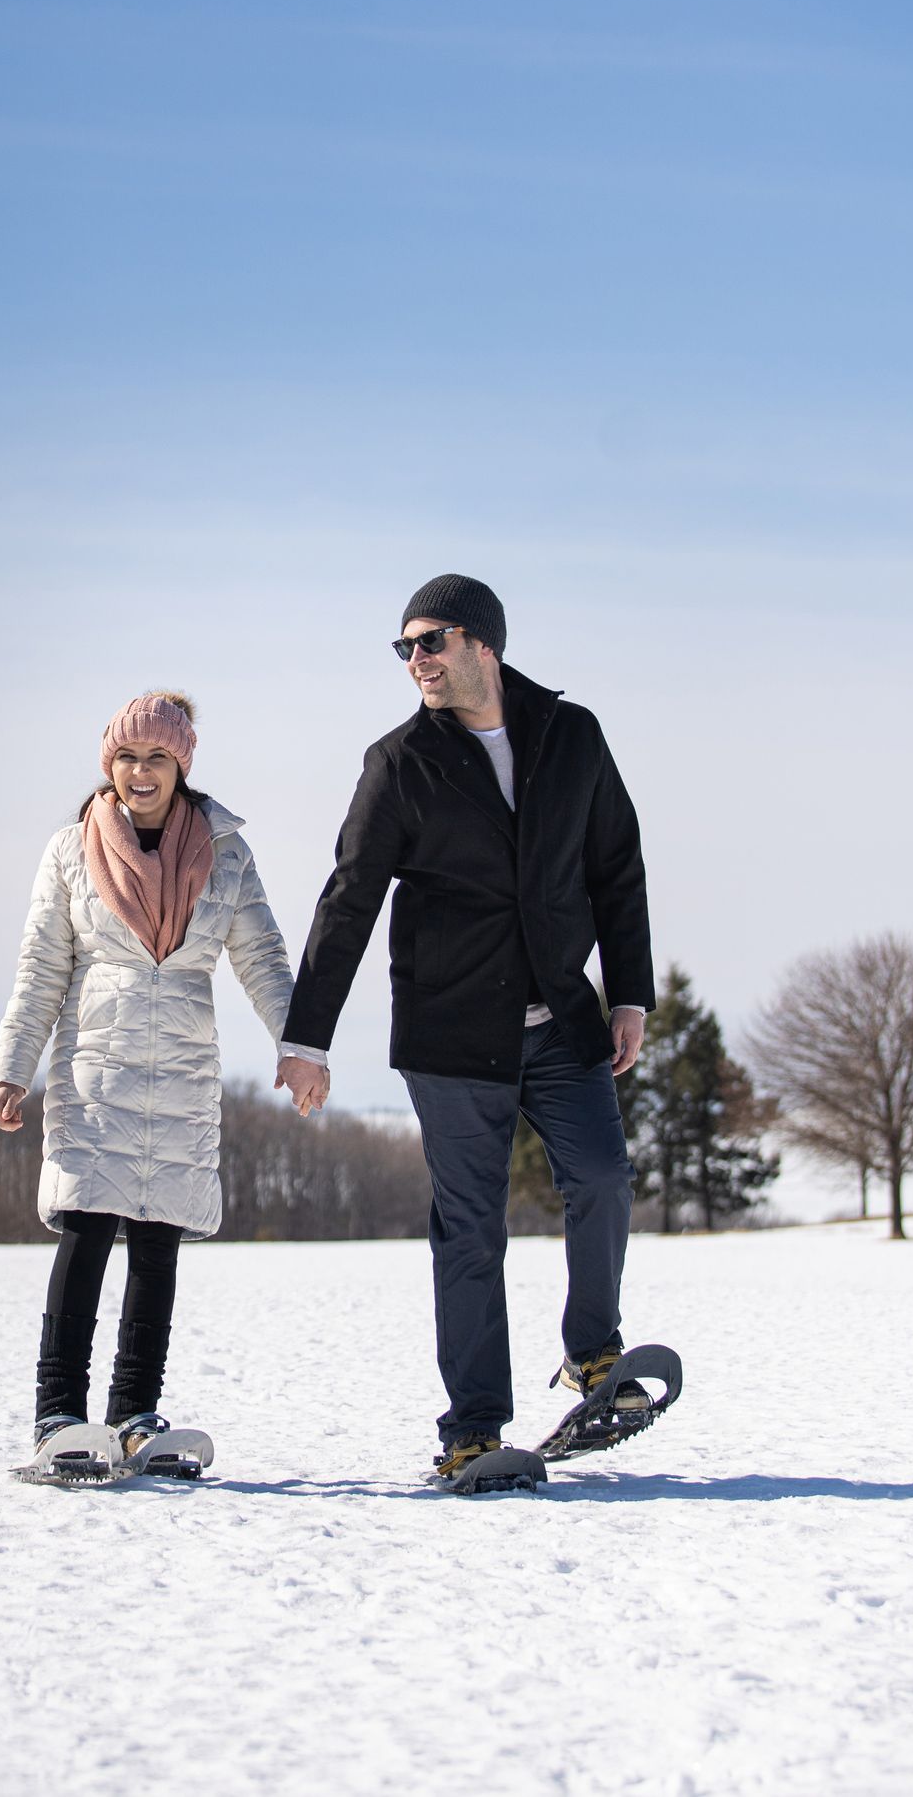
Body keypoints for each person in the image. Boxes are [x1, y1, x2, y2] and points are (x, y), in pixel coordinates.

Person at [275, 575, 654, 1482]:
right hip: (452, 1034)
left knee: (604, 1178)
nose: (416, 660)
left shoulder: (571, 735)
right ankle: (474, 1428)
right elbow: (350, 898)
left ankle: (593, 1354)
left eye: (431, 641)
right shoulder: (401, 762)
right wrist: (306, 1039)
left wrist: (630, 995)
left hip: (561, 1020)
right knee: (472, 1232)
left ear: (484, 642)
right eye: (404, 647)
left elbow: (617, 867)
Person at [0, 690, 302, 1474]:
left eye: (156, 757)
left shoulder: (225, 852)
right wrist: (13, 1069)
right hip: (96, 1068)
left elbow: (262, 957)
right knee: (87, 1231)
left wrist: (298, 1046)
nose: (140, 771)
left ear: (181, 764)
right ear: (110, 764)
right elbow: (40, 968)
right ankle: (58, 1415)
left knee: (159, 1242)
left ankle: (135, 1415)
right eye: (127, 757)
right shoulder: (71, 849)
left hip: (184, 1070)